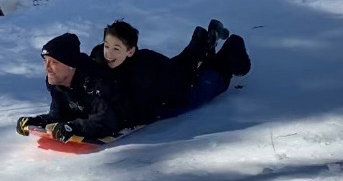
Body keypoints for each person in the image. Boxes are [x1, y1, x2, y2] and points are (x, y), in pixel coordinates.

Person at [90, 20, 251, 126]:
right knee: (181, 64)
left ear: (130, 51)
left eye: (116, 49)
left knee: (216, 77)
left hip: (182, 92)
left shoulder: (141, 76)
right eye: (106, 46)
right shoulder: (101, 58)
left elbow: (134, 113)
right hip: (167, 72)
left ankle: (233, 45)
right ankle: (202, 42)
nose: (108, 54)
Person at [15, 33, 131, 142]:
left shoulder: (96, 82)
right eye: (45, 61)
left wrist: (73, 127)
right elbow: (60, 114)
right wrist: (38, 121)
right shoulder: (57, 82)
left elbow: (108, 122)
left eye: (54, 62)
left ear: (71, 65)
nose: (47, 67)